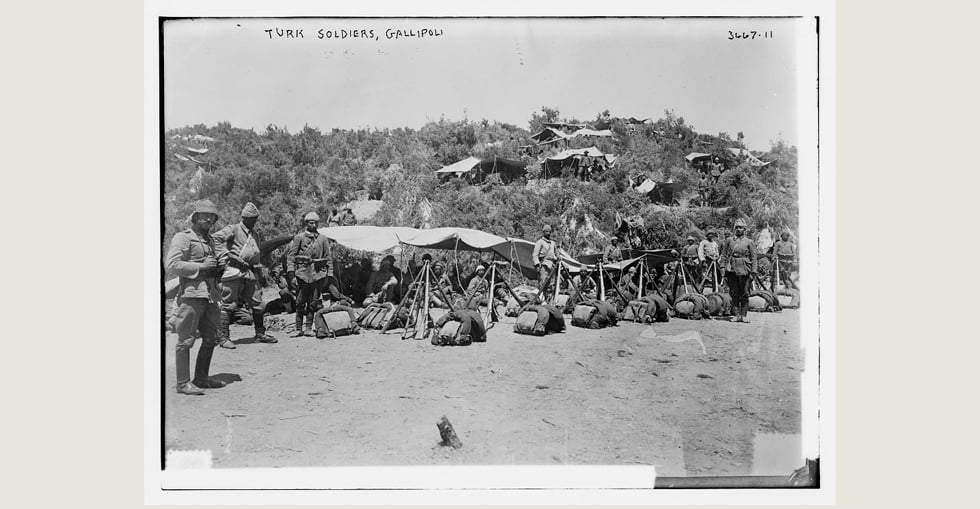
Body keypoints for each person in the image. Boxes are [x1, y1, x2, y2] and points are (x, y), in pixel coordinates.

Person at [165, 200, 227, 395]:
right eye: (204, 215)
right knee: (186, 339)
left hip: (210, 295)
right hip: (191, 295)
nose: (209, 219)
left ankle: (201, 378)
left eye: (212, 217)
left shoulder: (210, 240)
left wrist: (219, 266)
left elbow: (211, 264)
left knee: (211, 337)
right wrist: (201, 266)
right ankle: (183, 383)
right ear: (195, 217)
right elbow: (173, 264)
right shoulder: (183, 238)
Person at [212, 202, 277, 347]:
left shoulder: (255, 234)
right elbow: (215, 239)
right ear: (244, 218)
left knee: (258, 303)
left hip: (250, 273)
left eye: (255, 219)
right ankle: (223, 338)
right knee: (228, 304)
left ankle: (260, 334)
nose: (254, 222)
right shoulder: (233, 229)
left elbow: (256, 253)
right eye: (251, 219)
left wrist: (259, 274)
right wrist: (229, 255)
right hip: (233, 272)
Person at [286, 212, 332, 337]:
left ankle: (308, 328)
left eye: (316, 222)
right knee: (300, 302)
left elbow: (328, 257)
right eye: (311, 222)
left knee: (313, 303)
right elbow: (291, 257)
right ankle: (298, 328)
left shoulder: (322, 238)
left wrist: (330, 274)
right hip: (302, 274)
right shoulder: (299, 238)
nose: (314, 225)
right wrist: (291, 274)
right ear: (306, 223)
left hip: (318, 275)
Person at [721, 219, 758, 322]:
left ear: (744, 229)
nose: (738, 229)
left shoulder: (749, 242)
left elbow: (754, 258)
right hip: (732, 269)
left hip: (745, 269)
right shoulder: (729, 240)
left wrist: (754, 271)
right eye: (736, 227)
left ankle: (744, 315)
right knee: (734, 292)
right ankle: (736, 315)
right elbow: (724, 255)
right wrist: (723, 268)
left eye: (740, 227)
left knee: (745, 293)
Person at [532, 224, 559, 297]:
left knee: (551, 284)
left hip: (552, 265)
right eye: (547, 231)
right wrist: (537, 265)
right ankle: (541, 299)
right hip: (544, 265)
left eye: (550, 231)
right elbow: (535, 255)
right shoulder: (540, 242)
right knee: (543, 284)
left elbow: (557, 254)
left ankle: (549, 299)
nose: (548, 233)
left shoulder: (553, 243)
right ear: (543, 232)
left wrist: (558, 258)